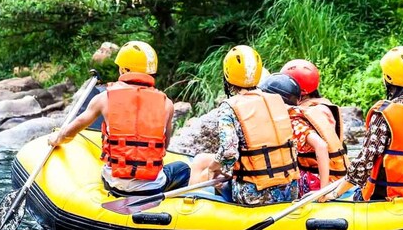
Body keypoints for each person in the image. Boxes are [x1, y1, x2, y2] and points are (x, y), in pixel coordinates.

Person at [47, 41, 190, 195]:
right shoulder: (166, 103)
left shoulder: (104, 98)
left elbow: (69, 133)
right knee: (184, 169)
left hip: (115, 184)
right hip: (153, 187)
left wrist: (56, 138)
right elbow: (164, 145)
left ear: (124, 69)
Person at [324, 46, 403, 202]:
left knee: (356, 191)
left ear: (387, 78)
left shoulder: (383, 115)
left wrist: (335, 194)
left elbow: (363, 164)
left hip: (389, 194)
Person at [191, 46, 299, 206]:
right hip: (290, 190)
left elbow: (228, 152)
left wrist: (214, 169)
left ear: (228, 75)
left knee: (209, 172)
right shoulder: (276, 100)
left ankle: (191, 213)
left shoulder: (229, 107)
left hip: (254, 195)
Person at [259, 73, 333, 200]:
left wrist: (323, 191)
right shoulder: (292, 115)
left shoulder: (293, 122)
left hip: (315, 181)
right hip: (317, 176)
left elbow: (321, 146)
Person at [280, 59, 349, 192]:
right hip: (338, 174)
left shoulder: (302, 113)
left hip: (318, 178)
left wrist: (322, 191)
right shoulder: (323, 105)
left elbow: (321, 147)